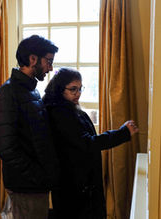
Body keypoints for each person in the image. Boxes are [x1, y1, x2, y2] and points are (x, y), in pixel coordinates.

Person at [42, 67, 139, 219]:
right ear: (61, 89)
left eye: (80, 89)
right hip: (73, 185)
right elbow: (87, 143)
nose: (78, 93)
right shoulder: (59, 113)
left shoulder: (68, 109)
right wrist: (122, 133)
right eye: (73, 89)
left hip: (79, 183)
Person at [0, 35, 60, 219]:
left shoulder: (32, 89)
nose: (51, 67)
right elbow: (6, 147)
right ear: (32, 59)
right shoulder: (8, 92)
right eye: (48, 61)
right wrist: (38, 176)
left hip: (36, 183)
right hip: (25, 185)